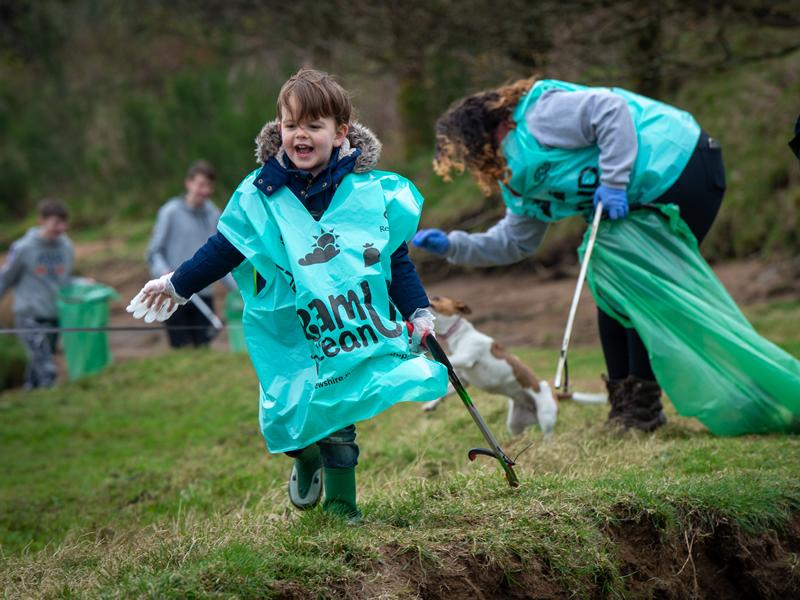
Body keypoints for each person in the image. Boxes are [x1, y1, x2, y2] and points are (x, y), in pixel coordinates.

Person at [127, 69, 448, 521]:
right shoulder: (261, 193)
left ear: (340, 134)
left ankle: (341, 511)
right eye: (292, 124)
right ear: (279, 128)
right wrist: (177, 283)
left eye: (314, 126)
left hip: (347, 327)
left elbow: (393, 259)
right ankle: (305, 457)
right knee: (288, 426)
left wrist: (418, 310)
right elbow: (225, 248)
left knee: (338, 424)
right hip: (289, 330)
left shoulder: (368, 194)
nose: (301, 134)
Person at [413, 77, 726, 433]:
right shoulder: (520, 177)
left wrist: (613, 181)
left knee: (640, 291)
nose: (475, 161)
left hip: (680, 165)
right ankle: (625, 409)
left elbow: (611, 110)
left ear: (490, 131)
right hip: (637, 196)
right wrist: (454, 245)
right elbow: (516, 242)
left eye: (472, 150)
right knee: (611, 290)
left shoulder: (541, 113)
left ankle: (642, 410)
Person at [147, 160, 236, 348]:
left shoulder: (214, 214)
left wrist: (238, 289)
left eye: (209, 186)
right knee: (182, 350)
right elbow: (154, 252)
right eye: (201, 185)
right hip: (173, 293)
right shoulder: (169, 212)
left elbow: (223, 255)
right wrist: (164, 273)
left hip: (203, 292)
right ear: (189, 183)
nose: (205, 191)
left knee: (203, 351)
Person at [0, 199, 74, 389]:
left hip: (53, 315)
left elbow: (65, 280)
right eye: (56, 222)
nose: (61, 228)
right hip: (29, 316)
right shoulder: (23, 248)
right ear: (41, 220)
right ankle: (55, 406)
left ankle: (31, 401)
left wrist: (82, 284)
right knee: (47, 368)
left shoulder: (66, 247)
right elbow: (5, 278)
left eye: (64, 222)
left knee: (37, 367)